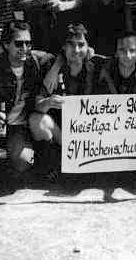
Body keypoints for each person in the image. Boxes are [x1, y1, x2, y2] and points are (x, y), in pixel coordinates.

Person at [0, 21, 55, 185]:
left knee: (23, 162)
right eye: (19, 43)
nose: (25, 48)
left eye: (28, 43)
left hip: (19, 128)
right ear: (6, 44)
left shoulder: (36, 62)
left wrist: (68, 59)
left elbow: (60, 57)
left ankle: (17, 164)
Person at [29, 23, 106, 180]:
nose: (76, 50)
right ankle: (53, 165)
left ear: (88, 47)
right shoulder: (52, 67)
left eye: (81, 45)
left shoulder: (98, 65)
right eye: (71, 44)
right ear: (64, 46)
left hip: (90, 134)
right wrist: (48, 102)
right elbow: (38, 105)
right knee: (37, 120)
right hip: (62, 134)